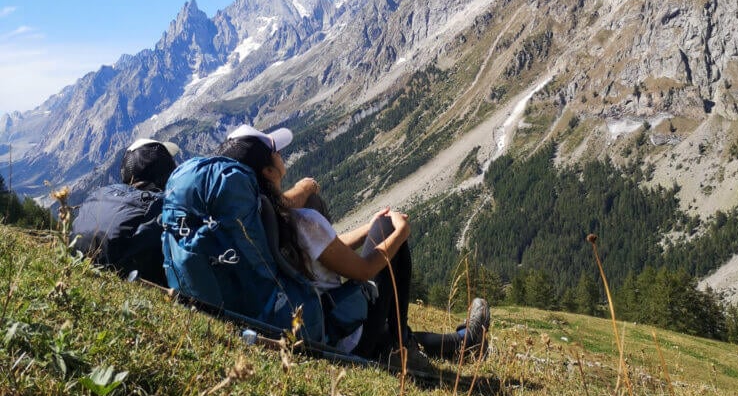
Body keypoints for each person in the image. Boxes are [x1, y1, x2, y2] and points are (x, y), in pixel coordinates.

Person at [218, 125, 490, 370]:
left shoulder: (251, 221)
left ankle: (461, 341)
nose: (281, 154)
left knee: (386, 330)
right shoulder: (301, 222)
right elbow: (363, 270)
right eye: (275, 151)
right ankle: (401, 350)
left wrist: (365, 229)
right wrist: (399, 232)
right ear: (267, 171)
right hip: (337, 335)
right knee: (387, 226)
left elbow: (324, 249)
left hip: (300, 326)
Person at [71, 137, 180, 286]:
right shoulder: (161, 206)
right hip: (133, 281)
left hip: (78, 266)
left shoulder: (100, 193)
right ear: (164, 170)